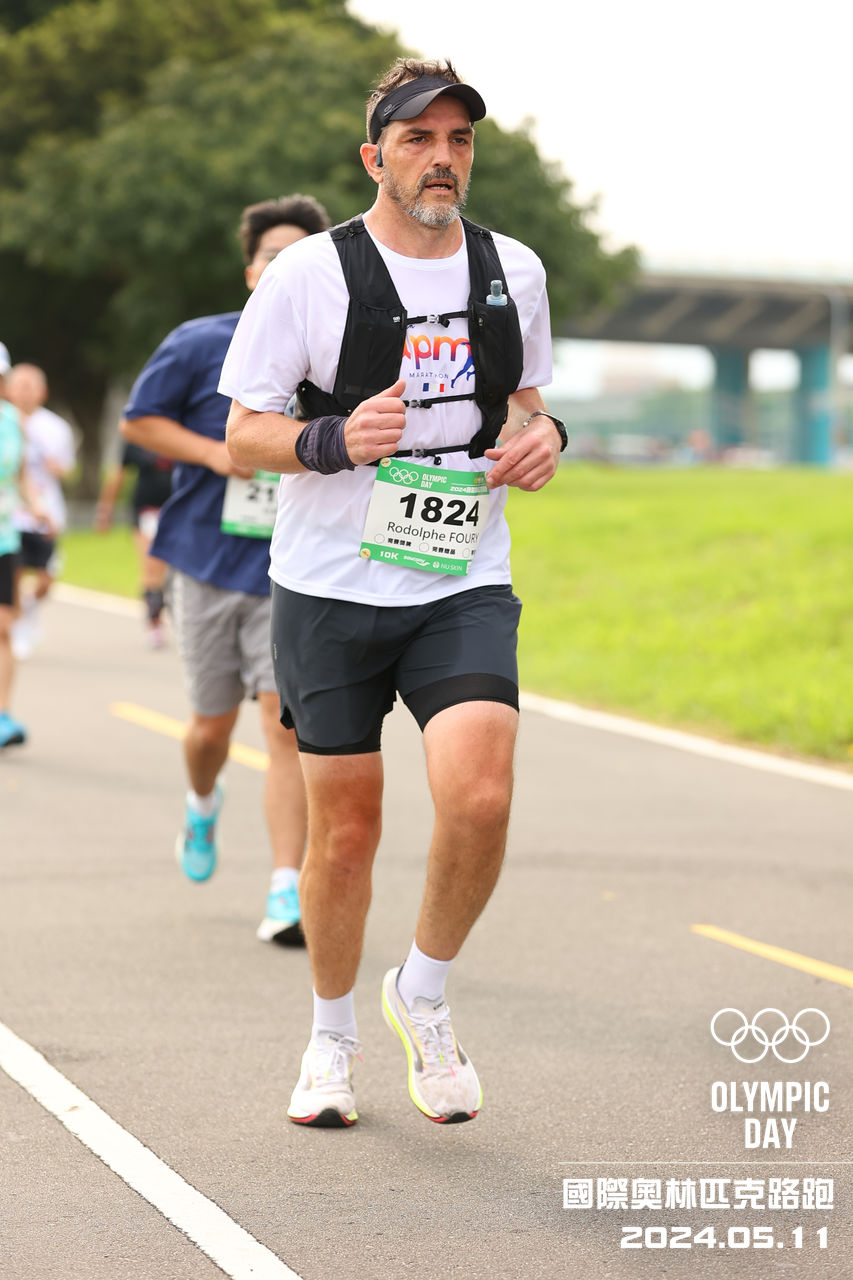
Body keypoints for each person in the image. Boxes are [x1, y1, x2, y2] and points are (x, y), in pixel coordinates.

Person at [221, 60, 567, 1127]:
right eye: (418, 139)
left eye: (458, 140)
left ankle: (423, 990)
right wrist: (329, 439)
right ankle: (330, 1038)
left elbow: (525, 402)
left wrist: (547, 437)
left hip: (461, 572)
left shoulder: (512, 268)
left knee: (480, 794)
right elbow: (243, 432)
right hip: (328, 584)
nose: (441, 158)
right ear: (375, 157)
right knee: (346, 833)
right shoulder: (307, 276)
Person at [120, 194, 331, 945]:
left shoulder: (337, 348)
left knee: (284, 731)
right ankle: (203, 803)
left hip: (294, 569)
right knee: (210, 729)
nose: (284, 267)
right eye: (273, 255)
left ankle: (285, 890)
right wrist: (216, 451)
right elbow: (139, 420)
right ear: (250, 270)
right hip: (207, 562)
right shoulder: (200, 341)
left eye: (299, 256)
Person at [6, 364, 77, 659]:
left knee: (45, 581)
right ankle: (16, 628)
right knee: (15, 574)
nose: (24, 392)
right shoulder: (6, 422)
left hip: (46, 513)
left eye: (30, 386)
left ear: (42, 392)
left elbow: (68, 470)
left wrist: (55, 469)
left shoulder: (56, 428)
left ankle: (29, 608)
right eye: (18, 385)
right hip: (12, 518)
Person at [0, 344, 50, 747]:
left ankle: (2, 715)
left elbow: (20, 475)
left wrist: (37, 505)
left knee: (4, 627)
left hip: (4, 537)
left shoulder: (12, 420)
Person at [95, 440, 173, 647]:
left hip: (176, 511)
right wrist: (105, 510)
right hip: (147, 511)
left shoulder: (186, 431)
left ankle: (172, 610)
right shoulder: (137, 440)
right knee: (152, 567)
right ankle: (155, 623)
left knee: (172, 571)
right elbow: (118, 476)